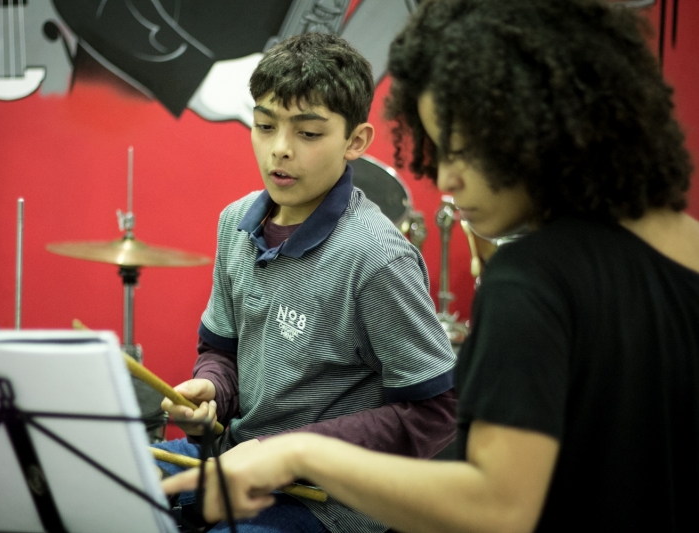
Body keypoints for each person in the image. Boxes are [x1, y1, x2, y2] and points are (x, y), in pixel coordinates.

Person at [161, 0, 699, 531]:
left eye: (464, 149)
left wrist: (295, 453)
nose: (444, 179)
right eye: (439, 149)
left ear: (540, 128)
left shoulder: (532, 280)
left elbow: (495, 508)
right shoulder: (685, 246)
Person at [154, 31, 458, 533]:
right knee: (98, 483)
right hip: (232, 455)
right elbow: (221, 352)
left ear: (355, 141)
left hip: (325, 500)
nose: (280, 150)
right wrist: (211, 391)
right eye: (264, 125)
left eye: (309, 134)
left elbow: (434, 412)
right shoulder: (236, 223)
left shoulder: (375, 257)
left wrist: (290, 453)